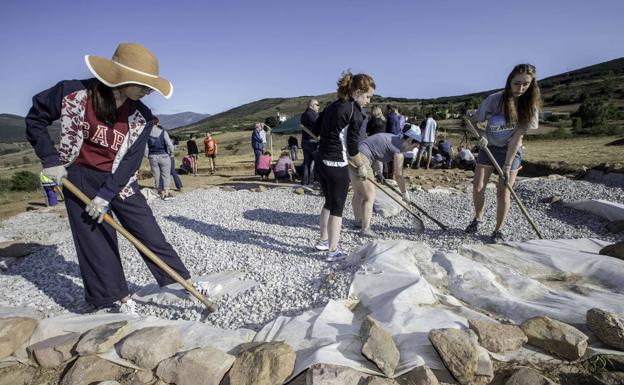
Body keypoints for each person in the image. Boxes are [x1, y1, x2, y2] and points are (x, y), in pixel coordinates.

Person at [25, 43, 196, 312]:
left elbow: (130, 162)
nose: (148, 91)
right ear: (122, 78)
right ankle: (111, 298)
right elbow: (35, 118)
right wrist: (50, 160)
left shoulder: (142, 116)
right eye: (143, 84)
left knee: (147, 229)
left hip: (120, 179)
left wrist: (106, 195)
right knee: (95, 237)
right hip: (78, 176)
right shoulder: (72, 93)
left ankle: (179, 281)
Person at [465, 63, 542, 243]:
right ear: (509, 81)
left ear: (531, 84)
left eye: (525, 84)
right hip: (488, 148)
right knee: (478, 187)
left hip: (511, 152)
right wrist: (481, 135)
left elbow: (516, 138)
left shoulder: (529, 106)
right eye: (517, 83)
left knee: (503, 192)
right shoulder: (494, 100)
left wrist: (507, 167)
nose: (520, 88)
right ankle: (478, 218)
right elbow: (472, 121)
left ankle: (498, 230)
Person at [311, 71, 376, 261]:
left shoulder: (332, 106)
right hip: (336, 163)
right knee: (338, 208)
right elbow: (353, 149)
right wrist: (361, 166)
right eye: (367, 96)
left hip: (321, 160)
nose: (368, 101)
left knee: (329, 203)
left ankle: (323, 240)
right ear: (357, 92)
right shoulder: (355, 112)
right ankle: (333, 250)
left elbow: (315, 130)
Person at [349, 127, 421, 237]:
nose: (412, 150)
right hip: (362, 160)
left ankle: (358, 221)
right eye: (413, 146)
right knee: (369, 196)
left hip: (354, 156)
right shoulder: (398, 149)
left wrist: (378, 172)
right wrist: (404, 193)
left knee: (359, 193)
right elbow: (399, 175)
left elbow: (376, 150)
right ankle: (365, 229)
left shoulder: (392, 138)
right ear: (409, 141)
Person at [145, 123, 175, 200]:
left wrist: (147, 155)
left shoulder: (146, 133)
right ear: (157, 123)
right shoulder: (163, 132)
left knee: (156, 175)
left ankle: (160, 192)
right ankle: (166, 194)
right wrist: (172, 153)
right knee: (166, 175)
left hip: (152, 156)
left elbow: (145, 148)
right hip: (163, 155)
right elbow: (169, 144)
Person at [300, 99, 320, 186]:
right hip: (313, 141)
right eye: (317, 105)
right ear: (312, 105)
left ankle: (305, 183)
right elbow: (319, 125)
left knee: (306, 163)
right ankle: (319, 182)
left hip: (305, 141)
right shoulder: (312, 114)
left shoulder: (303, 114)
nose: (318, 107)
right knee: (318, 163)